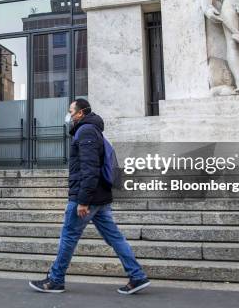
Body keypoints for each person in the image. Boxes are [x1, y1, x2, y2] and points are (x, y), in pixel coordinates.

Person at [28, 98, 150, 295]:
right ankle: (137, 276)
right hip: (100, 198)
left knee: (68, 236)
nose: (68, 115)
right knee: (115, 237)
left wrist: (83, 200)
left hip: (88, 198)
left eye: (70, 111)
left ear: (80, 113)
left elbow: (90, 168)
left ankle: (55, 280)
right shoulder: (92, 130)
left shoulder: (85, 131)